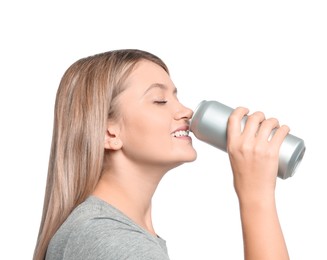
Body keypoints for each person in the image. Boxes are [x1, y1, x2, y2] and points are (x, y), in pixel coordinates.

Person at [33, 49, 290, 260]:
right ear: (109, 133)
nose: (186, 111)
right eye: (159, 100)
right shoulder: (109, 239)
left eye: (176, 97)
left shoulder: (109, 233)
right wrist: (257, 197)